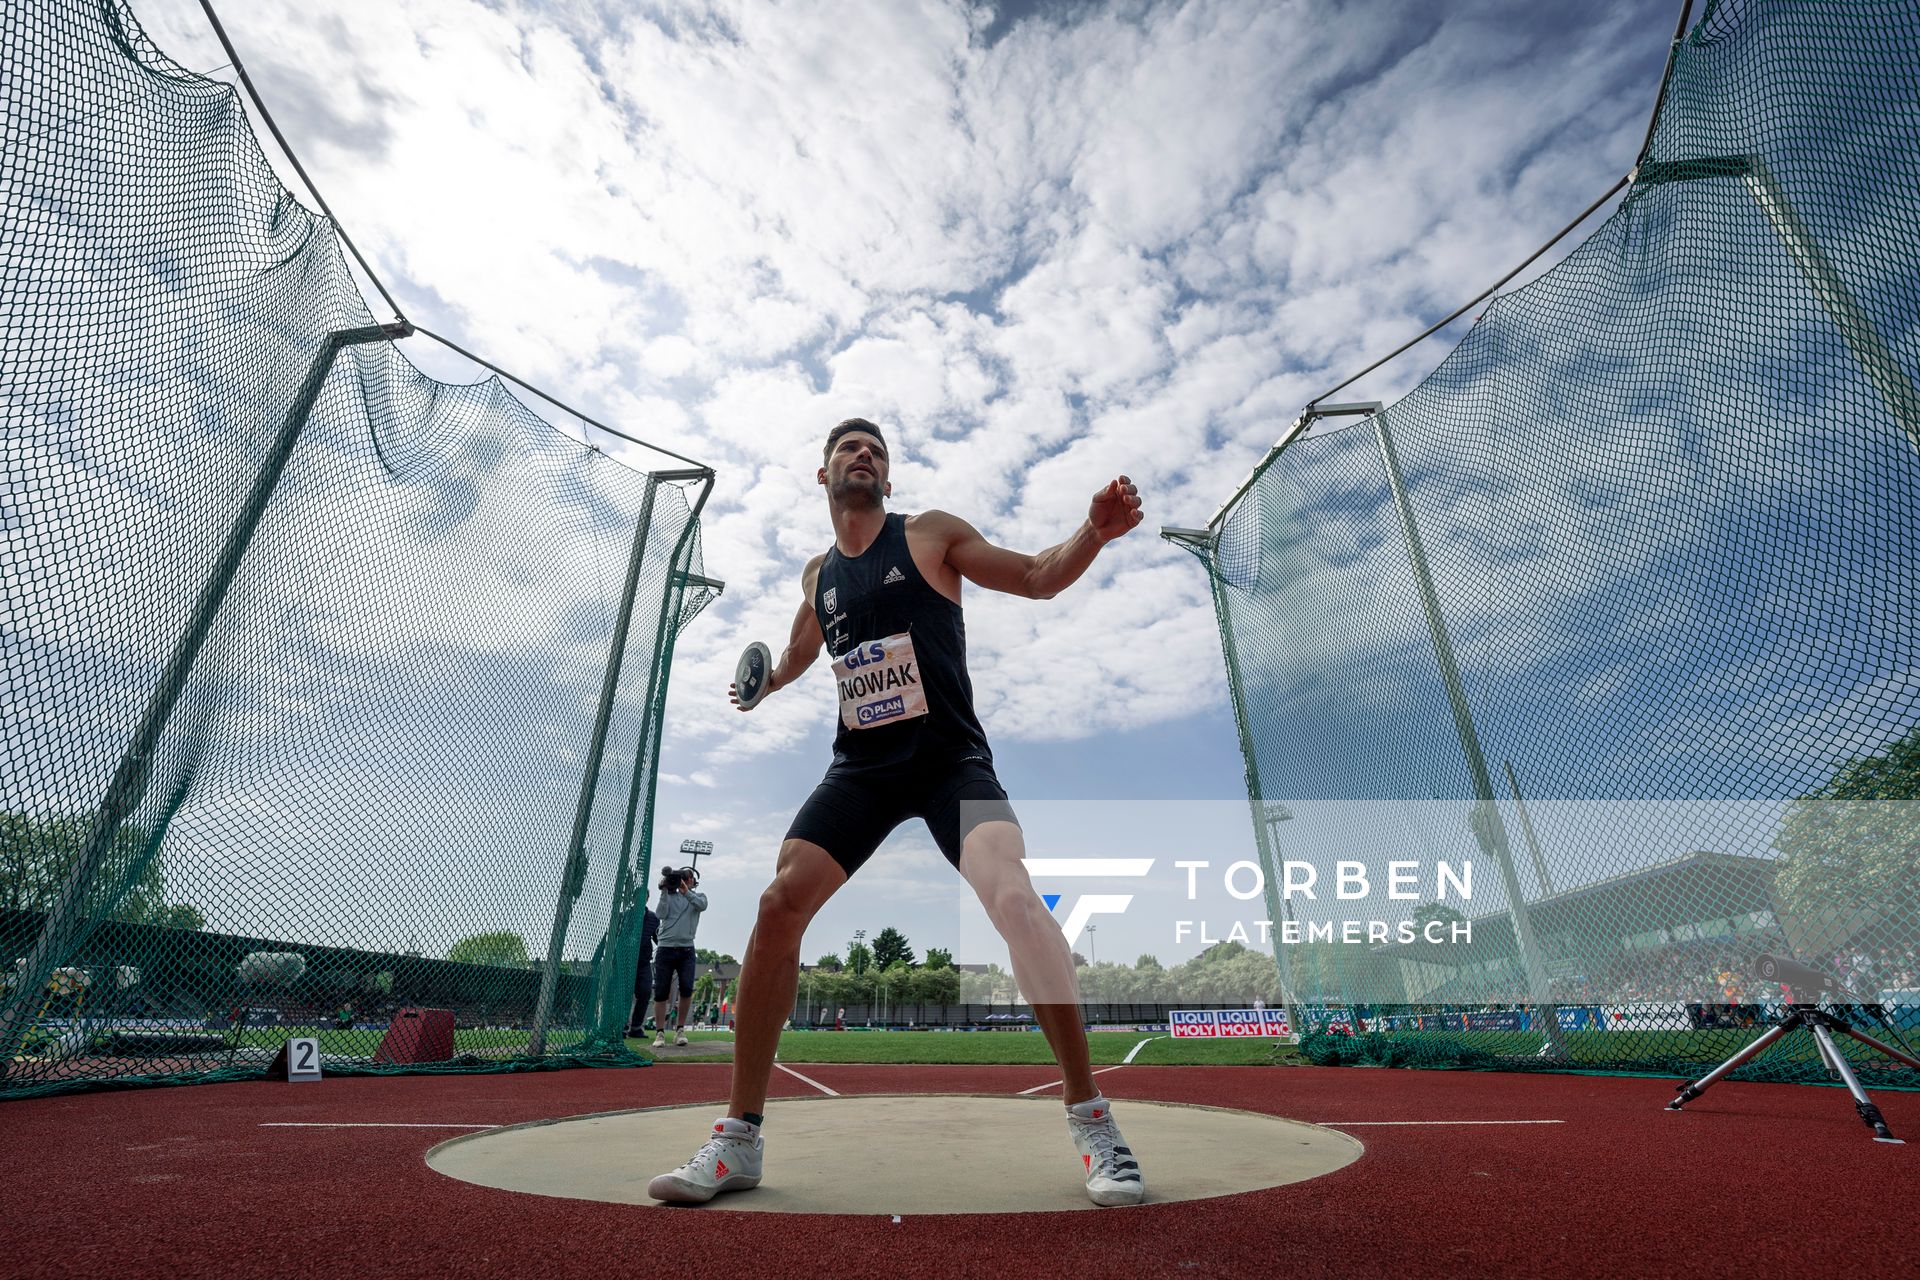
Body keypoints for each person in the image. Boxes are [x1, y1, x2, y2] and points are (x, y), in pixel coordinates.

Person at [649, 417, 1146, 1207]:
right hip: (863, 771)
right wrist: (767, 683)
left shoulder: (931, 535)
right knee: (778, 904)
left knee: (1015, 898)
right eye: (849, 448)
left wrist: (1093, 532)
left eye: (876, 451)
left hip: (951, 763)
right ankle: (739, 1139)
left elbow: (1036, 576)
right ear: (824, 475)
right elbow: (801, 652)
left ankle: (1093, 1121)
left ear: (888, 479)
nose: (863, 455)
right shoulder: (818, 576)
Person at [651, 866, 706, 1048]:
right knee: (661, 991)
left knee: (687, 988)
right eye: (681, 877)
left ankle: (680, 1030)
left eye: (688, 877)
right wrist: (664, 891)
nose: (684, 880)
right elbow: (660, 914)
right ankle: (660, 1033)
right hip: (665, 949)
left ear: (693, 881)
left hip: (686, 949)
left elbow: (702, 906)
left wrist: (686, 892)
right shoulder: (669, 896)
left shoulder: (698, 897)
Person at [626, 905, 660, 1039]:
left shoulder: (653, 918)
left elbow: (658, 938)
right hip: (626, 962)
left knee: (645, 992)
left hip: (644, 962)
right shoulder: (626, 916)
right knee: (624, 995)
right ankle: (621, 1026)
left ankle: (636, 1027)